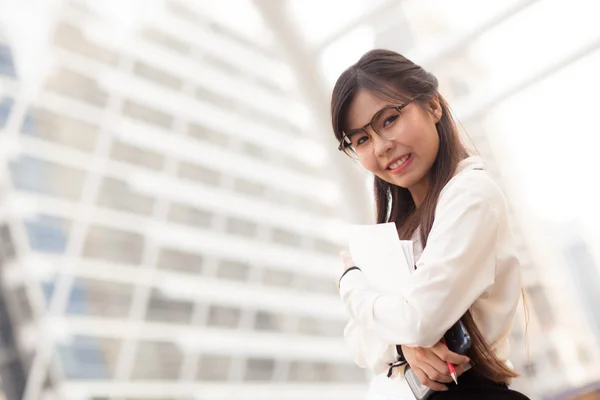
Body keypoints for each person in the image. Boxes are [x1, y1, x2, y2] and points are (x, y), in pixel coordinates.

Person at [332, 49, 530, 400]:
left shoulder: (470, 194)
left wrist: (351, 283)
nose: (380, 147)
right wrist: (402, 345)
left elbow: (418, 320)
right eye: (361, 139)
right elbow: (358, 340)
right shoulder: (397, 226)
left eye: (389, 119)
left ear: (433, 106)